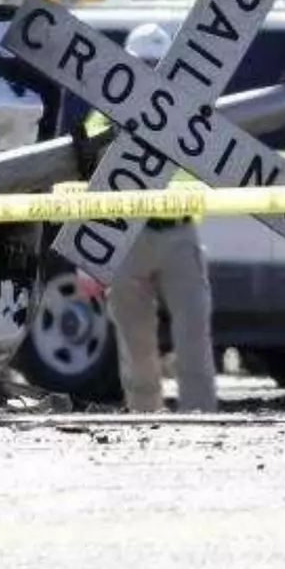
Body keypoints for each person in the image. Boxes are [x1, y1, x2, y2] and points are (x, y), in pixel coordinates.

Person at [91, 22, 219, 414]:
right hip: (126, 235)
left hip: (178, 232)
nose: (147, 71)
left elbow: (206, 164)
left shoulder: (187, 113)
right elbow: (91, 176)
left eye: (153, 64)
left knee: (194, 334)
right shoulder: (104, 115)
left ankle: (199, 414)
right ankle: (145, 417)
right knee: (135, 341)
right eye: (140, 64)